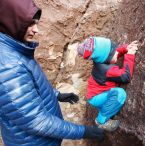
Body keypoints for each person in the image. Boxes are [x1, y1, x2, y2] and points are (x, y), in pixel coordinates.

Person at [0, 0, 104, 146]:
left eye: (36, 23)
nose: (36, 30)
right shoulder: (8, 65)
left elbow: (29, 90)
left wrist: (56, 95)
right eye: (30, 23)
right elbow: (36, 121)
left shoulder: (14, 50)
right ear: (11, 21)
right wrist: (83, 131)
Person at [77, 37, 138, 131]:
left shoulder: (100, 59)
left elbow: (115, 51)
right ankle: (101, 121)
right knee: (120, 94)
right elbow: (126, 76)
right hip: (96, 97)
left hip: (94, 93)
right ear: (107, 57)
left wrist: (126, 48)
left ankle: (105, 109)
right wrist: (129, 55)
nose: (117, 53)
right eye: (115, 53)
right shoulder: (107, 70)